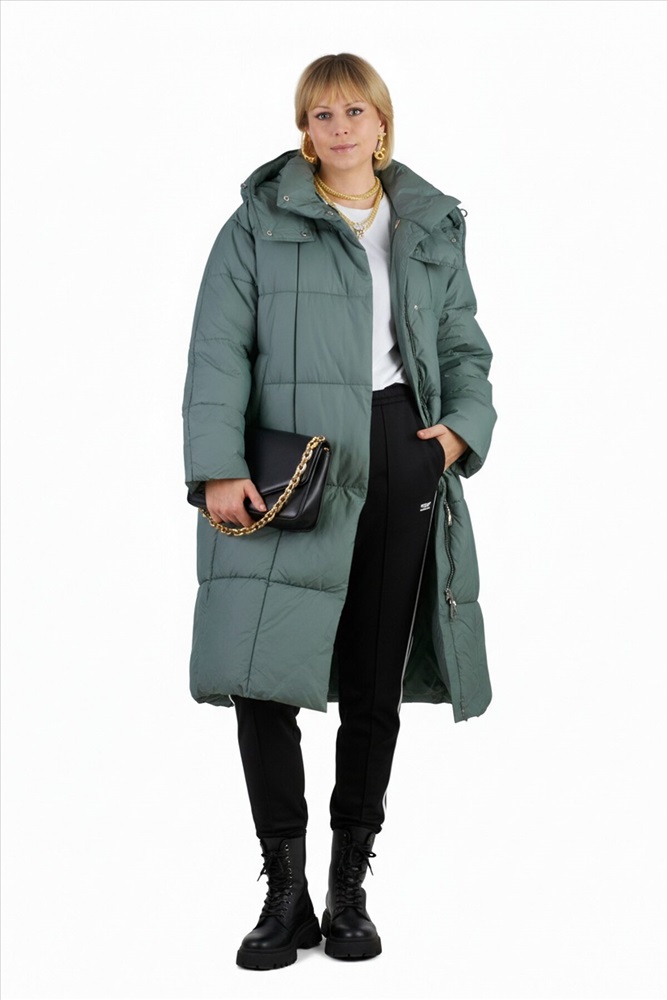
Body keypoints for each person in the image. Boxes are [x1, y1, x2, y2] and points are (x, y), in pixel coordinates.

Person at [182, 53, 496, 970]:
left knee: (371, 677)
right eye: (321, 114)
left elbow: (462, 343)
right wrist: (216, 467)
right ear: (304, 129)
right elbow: (217, 349)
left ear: (381, 122)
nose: (340, 127)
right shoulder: (258, 221)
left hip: (399, 448)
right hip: (286, 461)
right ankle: (284, 893)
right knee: (259, 672)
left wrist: (455, 433)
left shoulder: (428, 222)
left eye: (355, 110)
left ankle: (348, 888)